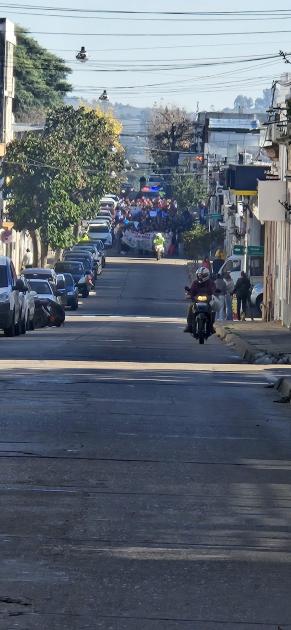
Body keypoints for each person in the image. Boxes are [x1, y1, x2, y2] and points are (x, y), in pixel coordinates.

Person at [184, 266, 216, 333]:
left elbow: (213, 290)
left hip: (207, 301)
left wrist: (214, 293)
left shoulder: (210, 283)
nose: (200, 277)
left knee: (213, 309)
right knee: (190, 307)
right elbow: (191, 290)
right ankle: (189, 326)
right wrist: (189, 294)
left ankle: (211, 326)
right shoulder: (195, 282)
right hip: (196, 300)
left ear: (206, 275)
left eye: (202, 275)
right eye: (199, 275)